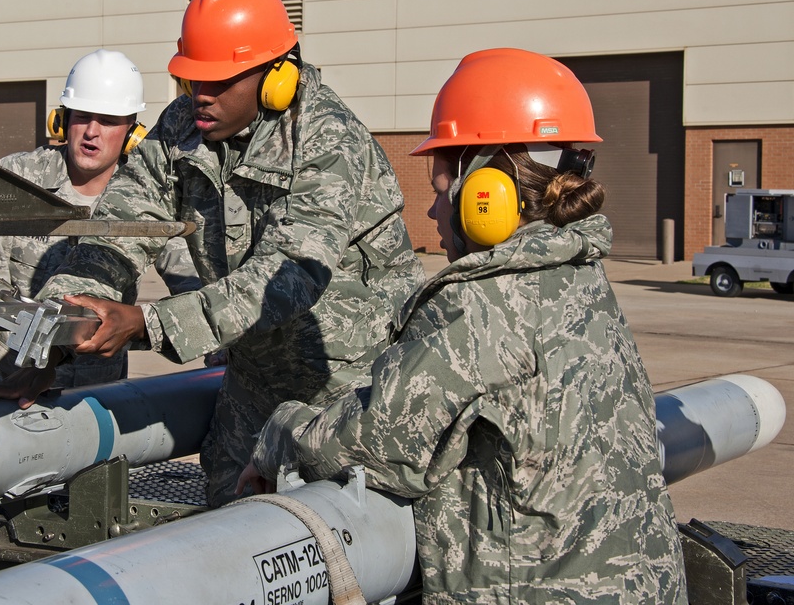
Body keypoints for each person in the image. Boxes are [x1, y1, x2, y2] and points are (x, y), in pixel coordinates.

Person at [240, 48, 688, 603]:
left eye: (439, 188)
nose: (432, 213)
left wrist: (280, 432)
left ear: (486, 193)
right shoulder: (582, 279)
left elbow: (376, 444)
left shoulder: (482, 303)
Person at [0, 0, 425, 507]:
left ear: (277, 76)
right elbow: (118, 227)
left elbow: (289, 277)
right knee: (229, 535)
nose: (200, 96)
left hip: (348, 389)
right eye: (190, 80)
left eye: (218, 82)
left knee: (338, 547)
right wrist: (56, 334)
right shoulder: (183, 124)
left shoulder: (328, 140)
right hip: (252, 381)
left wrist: (149, 323)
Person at [0, 48, 199, 386]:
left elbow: (190, 278)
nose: (92, 132)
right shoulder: (17, 180)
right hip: (11, 382)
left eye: (110, 121)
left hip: (94, 397)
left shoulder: (146, 197)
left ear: (133, 134)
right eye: (83, 116)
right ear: (62, 120)